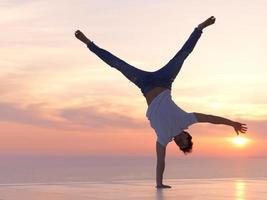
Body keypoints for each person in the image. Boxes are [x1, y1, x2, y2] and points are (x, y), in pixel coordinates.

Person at [75, 16, 247, 189]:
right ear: (187, 135)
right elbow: (210, 118)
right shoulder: (186, 120)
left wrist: (159, 184)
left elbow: (160, 162)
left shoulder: (163, 139)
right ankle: (200, 28)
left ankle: (88, 43)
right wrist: (232, 123)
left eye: (180, 145)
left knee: (118, 64)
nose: (180, 142)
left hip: (145, 84)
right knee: (182, 55)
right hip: (165, 80)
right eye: (184, 141)